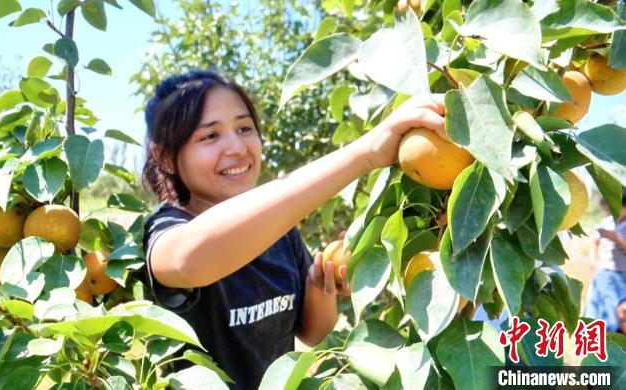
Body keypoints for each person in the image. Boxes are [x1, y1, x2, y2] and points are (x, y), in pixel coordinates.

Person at [141, 69, 446, 389]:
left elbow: (314, 333)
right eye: (210, 136)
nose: (236, 147)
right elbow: (190, 260)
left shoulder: (280, 230)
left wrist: (318, 284)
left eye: (245, 128)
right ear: (165, 157)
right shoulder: (167, 230)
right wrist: (365, 153)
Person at [584, 188, 626, 333]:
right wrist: (593, 262)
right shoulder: (608, 222)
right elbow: (594, 241)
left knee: (616, 314)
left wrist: (616, 239)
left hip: (621, 275)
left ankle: (614, 342)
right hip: (605, 271)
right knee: (595, 309)